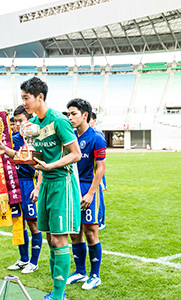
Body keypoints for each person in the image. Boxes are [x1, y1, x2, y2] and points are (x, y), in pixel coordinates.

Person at [0, 77, 81, 300]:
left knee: (60, 239)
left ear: (40, 97)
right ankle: (55, 291)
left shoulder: (59, 121)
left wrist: (50, 166)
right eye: (22, 98)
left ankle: (59, 296)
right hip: (46, 186)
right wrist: (6, 150)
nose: (24, 103)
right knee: (50, 239)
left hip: (62, 184)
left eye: (26, 98)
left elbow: (75, 154)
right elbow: (32, 158)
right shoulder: (36, 126)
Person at [66, 99, 106, 290]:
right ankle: (80, 271)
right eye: (68, 114)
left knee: (91, 232)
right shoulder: (70, 137)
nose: (70, 117)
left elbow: (100, 168)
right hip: (71, 189)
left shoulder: (96, 137)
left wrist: (90, 193)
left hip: (88, 188)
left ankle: (95, 275)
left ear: (85, 115)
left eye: (73, 113)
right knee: (74, 232)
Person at [6, 105, 43, 274]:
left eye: (20, 121)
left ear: (29, 120)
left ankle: (33, 262)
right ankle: (23, 259)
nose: (17, 125)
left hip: (28, 183)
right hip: (14, 185)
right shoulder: (12, 140)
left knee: (33, 223)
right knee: (18, 223)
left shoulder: (36, 138)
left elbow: (41, 165)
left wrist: (37, 187)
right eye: (15, 122)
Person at [89, 112, 107, 230]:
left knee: (98, 196)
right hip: (88, 172)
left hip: (95, 172)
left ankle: (100, 221)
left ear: (94, 120)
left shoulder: (97, 135)